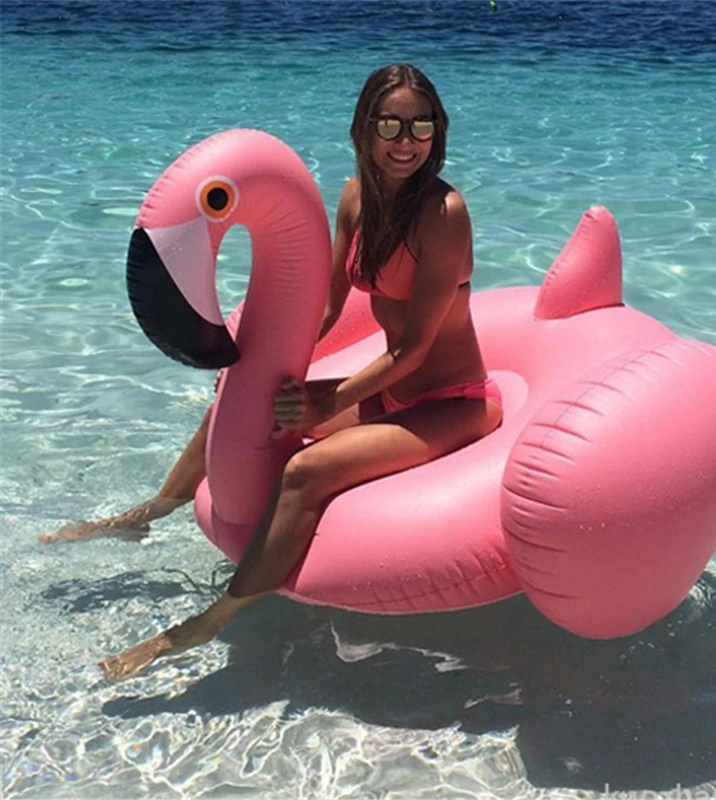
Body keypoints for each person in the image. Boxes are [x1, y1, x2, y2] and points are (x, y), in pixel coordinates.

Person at [49, 63, 505, 679]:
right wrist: (254, 368)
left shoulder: (444, 213)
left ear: (437, 131)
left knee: (305, 471)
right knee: (236, 406)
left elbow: (415, 349)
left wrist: (327, 401)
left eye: (420, 126)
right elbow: (326, 308)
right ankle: (149, 513)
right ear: (364, 129)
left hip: (449, 402)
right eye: (390, 125)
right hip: (389, 395)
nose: (405, 141)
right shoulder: (356, 198)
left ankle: (203, 624)